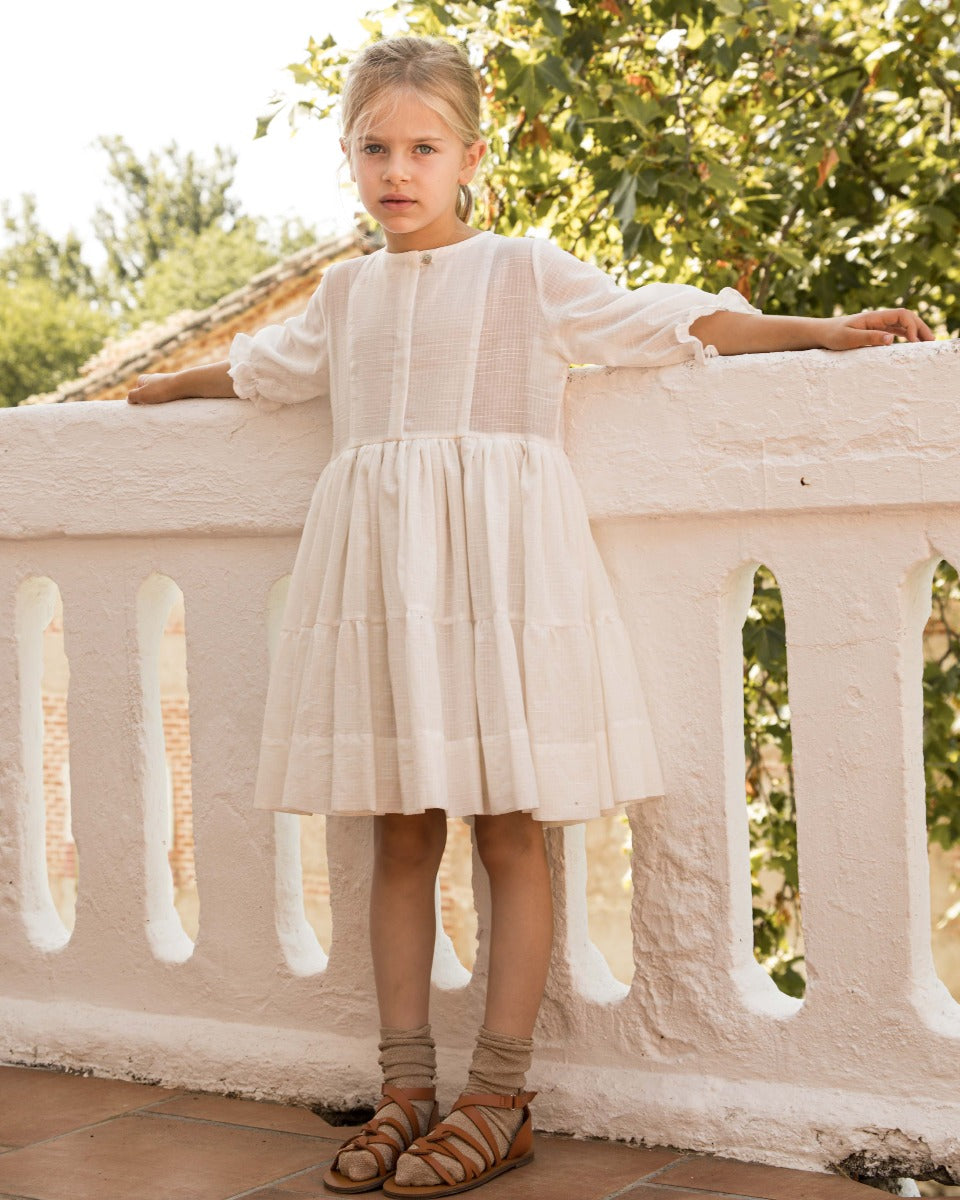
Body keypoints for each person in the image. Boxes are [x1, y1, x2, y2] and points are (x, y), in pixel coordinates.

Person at [127, 34, 934, 1198]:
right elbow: (264, 368)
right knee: (400, 831)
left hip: (498, 590)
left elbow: (669, 323)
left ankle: (499, 1096)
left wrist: (815, 330)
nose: (396, 170)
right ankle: (405, 1083)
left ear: (471, 158)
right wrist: (158, 386)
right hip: (387, 595)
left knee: (510, 829)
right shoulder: (345, 294)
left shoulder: (521, 271)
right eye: (373, 148)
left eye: (422, 147)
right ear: (347, 158)